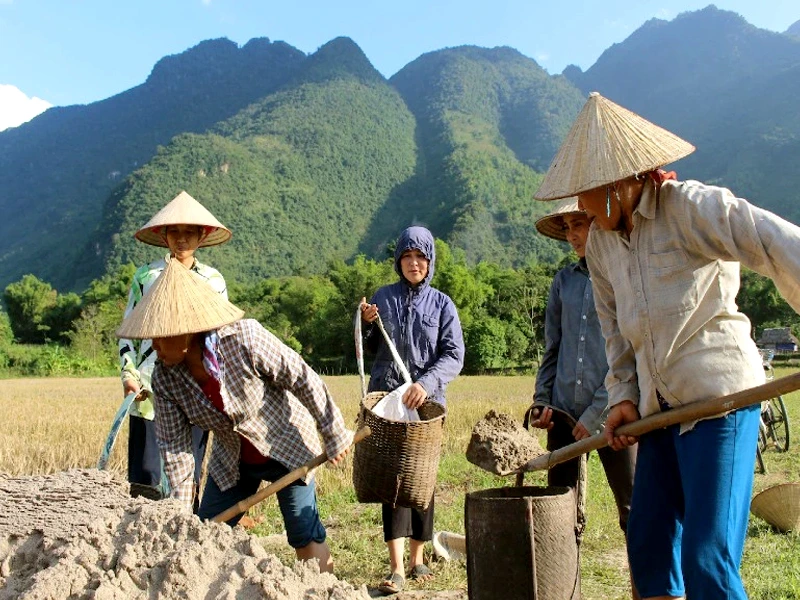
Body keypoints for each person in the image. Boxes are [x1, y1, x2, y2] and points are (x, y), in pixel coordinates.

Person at [534, 91, 800, 600]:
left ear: (618, 182)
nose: (581, 209)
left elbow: (773, 241)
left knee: (707, 559)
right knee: (650, 546)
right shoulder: (605, 246)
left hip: (719, 404)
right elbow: (616, 337)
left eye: (585, 195)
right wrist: (624, 398)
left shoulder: (692, 208)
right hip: (659, 413)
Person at [116, 257, 353, 574]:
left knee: (302, 530)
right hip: (232, 459)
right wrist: (183, 513)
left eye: (161, 336)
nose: (154, 345)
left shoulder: (244, 340)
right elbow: (176, 449)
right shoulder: (165, 378)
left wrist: (334, 432)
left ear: (187, 332)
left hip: (289, 445)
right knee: (206, 531)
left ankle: (322, 590)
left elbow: (303, 378)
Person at [528, 197, 638, 599]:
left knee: (633, 509)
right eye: (568, 228)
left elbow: (628, 352)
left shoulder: (623, 271)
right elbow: (552, 347)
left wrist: (596, 413)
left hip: (615, 412)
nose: (574, 235)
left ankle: (644, 589)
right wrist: (542, 401)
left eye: (581, 224)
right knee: (560, 511)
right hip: (563, 413)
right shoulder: (565, 281)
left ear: (599, 223)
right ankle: (565, 591)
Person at [359, 225, 465, 595]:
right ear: (398, 261)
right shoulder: (383, 298)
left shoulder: (442, 304)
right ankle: (397, 567)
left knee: (423, 481)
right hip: (389, 402)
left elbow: (454, 355)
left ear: (430, 261)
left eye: (421, 257)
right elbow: (372, 348)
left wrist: (426, 383)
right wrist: (367, 323)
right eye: (407, 256)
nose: (414, 263)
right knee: (394, 481)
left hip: (426, 403)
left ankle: (419, 560)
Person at [119, 190, 230, 506]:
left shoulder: (212, 280)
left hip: (195, 390)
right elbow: (130, 332)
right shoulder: (146, 277)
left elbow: (220, 339)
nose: (181, 239)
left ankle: (183, 543)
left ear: (201, 235)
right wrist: (129, 376)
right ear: (163, 235)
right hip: (148, 390)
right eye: (174, 232)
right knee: (145, 476)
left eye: (188, 233)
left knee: (187, 475)